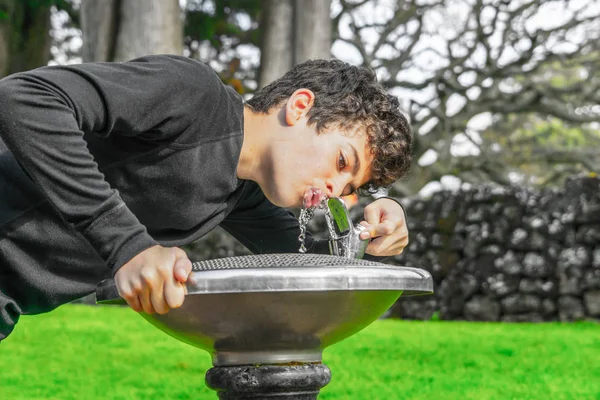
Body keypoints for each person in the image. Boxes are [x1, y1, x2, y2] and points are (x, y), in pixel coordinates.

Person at [0, 54, 412, 341]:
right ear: (301, 107)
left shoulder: (241, 194)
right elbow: (26, 98)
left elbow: (315, 267)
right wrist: (128, 246)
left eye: (347, 189)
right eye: (342, 161)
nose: (332, 191)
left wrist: (374, 234)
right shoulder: (195, 95)